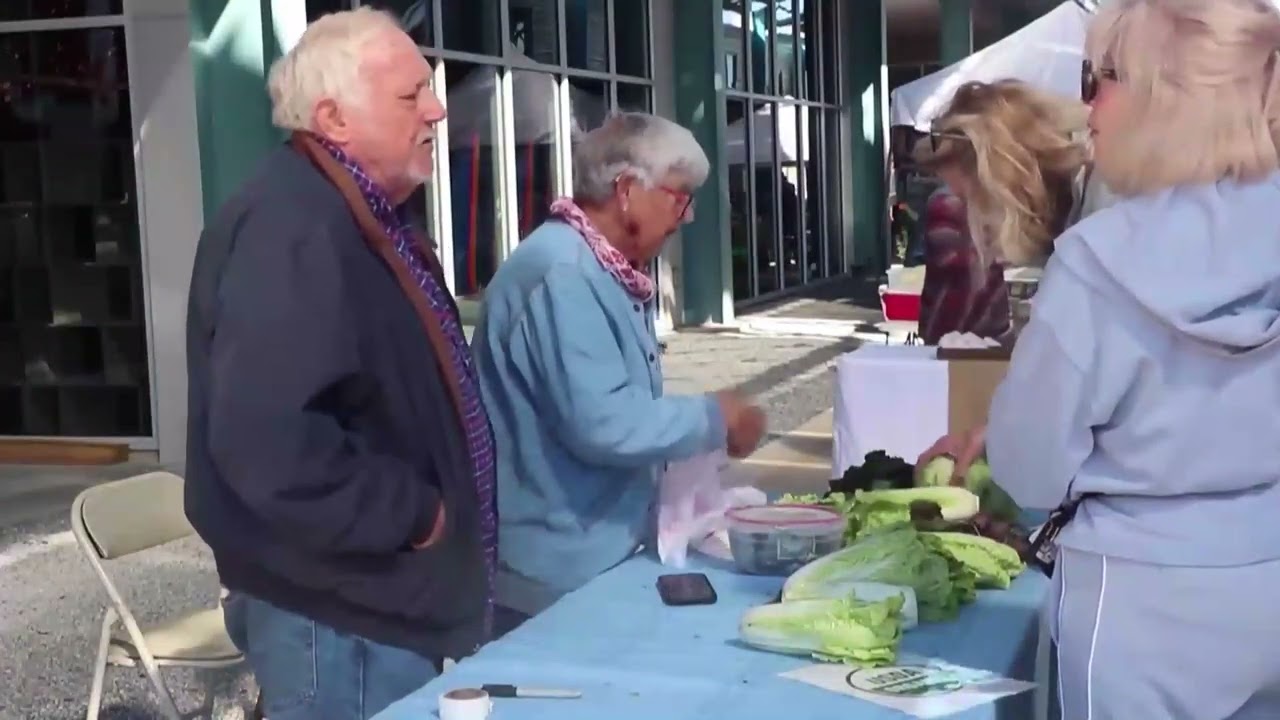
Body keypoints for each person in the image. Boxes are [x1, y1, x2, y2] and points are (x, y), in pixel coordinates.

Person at [944, 0, 1280, 716]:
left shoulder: (1099, 262)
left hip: (1141, 599)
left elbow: (1029, 466)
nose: (1087, 103)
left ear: (1166, 95)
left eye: (1103, 77)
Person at [184, 9, 494, 719]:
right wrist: (415, 513)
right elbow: (269, 444)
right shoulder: (294, 225)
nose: (438, 110)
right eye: (411, 95)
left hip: (363, 607)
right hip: (339, 618)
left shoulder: (351, 211)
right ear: (335, 117)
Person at [472, 113, 767, 632]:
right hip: (556, 568)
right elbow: (605, 423)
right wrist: (714, 418)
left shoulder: (592, 264)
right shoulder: (563, 272)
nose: (686, 216)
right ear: (627, 190)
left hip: (594, 547)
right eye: (679, 197)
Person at [910, 80, 1116, 346]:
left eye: (970, 199)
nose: (972, 217)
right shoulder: (1082, 198)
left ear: (1004, 177)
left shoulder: (1107, 199)